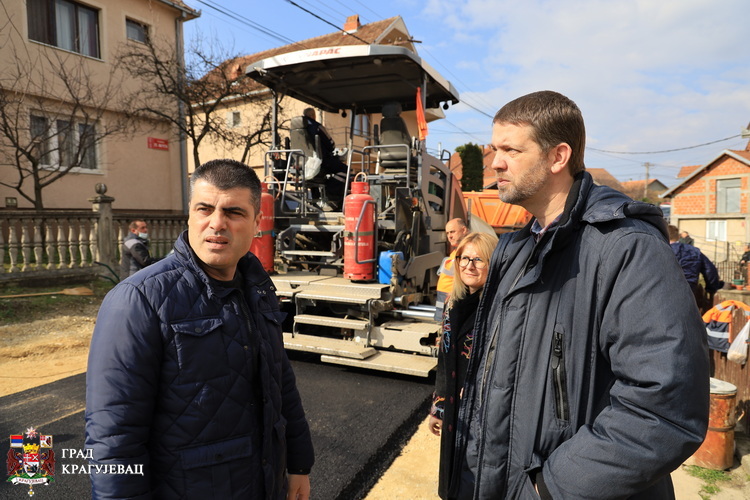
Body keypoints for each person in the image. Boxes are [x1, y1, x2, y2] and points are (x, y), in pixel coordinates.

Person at [453, 91, 709, 499]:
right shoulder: (513, 250)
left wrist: (547, 488)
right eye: (494, 149)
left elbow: (664, 408)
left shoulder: (627, 248)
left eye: (510, 150)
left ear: (558, 157)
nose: (495, 162)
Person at [85, 159, 314, 499]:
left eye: (234, 212)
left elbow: (281, 383)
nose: (217, 223)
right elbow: (114, 435)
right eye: (205, 209)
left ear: (257, 222)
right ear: (190, 215)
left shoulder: (258, 289)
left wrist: (298, 464)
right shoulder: (138, 300)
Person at [429, 232, 496, 500]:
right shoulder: (452, 304)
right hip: (454, 411)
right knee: (452, 480)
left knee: (474, 482)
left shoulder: (497, 309)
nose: (469, 265)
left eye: (478, 259)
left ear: (493, 263)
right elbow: (445, 360)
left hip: (482, 415)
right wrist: (438, 407)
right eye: (464, 258)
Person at [668, 224, 724, 312]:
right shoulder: (693, 251)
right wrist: (712, 288)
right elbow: (710, 270)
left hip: (665, 292)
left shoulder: (659, 249)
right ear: (678, 237)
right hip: (689, 290)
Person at [302, 107, 347, 207]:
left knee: (314, 175)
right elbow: (331, 144)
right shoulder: (317, 126)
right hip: (320, 162)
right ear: (313, 116)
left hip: (303, 164)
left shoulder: (297, 129)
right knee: (345, 170)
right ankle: (331, 194)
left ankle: (315, 199)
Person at [434, 218, 469, 321]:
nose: (449, 236)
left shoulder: (467, 251)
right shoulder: (456, 251)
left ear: (464, 230)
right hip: (444, 296)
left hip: (452, 297)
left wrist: (454, 294)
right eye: (447, 233)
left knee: (449, 325)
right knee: (442, 322)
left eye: (453, 232)